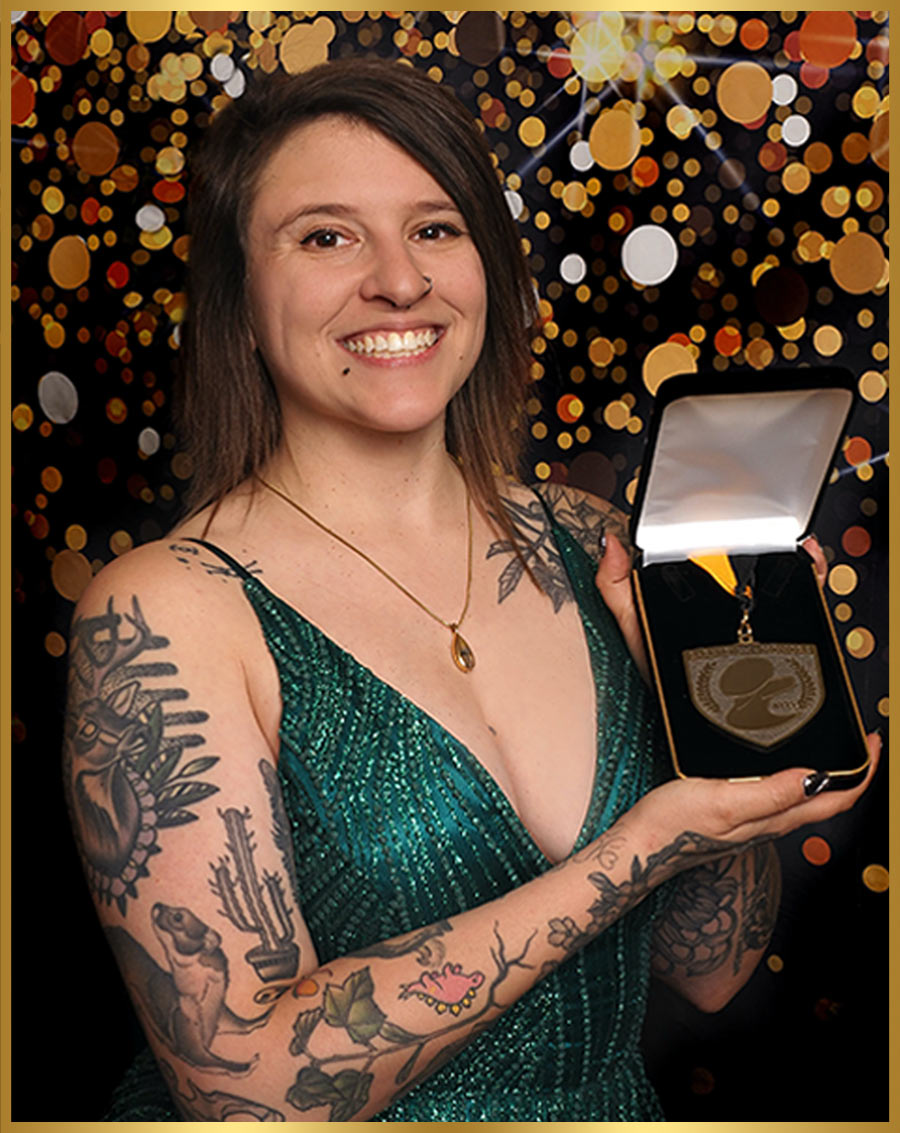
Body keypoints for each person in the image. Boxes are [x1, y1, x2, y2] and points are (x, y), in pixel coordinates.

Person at [62, 58, 878, 1122]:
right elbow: (245, 1093)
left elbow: (710, 967)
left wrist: (715, 733)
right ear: (239, 300)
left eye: (436, 228)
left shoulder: (590, 541)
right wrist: (642, 846)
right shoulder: (164, 612)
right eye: (326, 237)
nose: (400, 281)